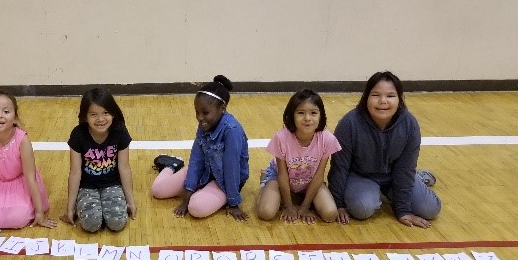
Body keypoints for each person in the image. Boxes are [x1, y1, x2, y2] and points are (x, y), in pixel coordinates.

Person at [327, 71, 441, 228]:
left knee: (430, 209)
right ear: (366, 97)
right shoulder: (349, 124)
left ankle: (418, 178)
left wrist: (403, 210)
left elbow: (405, 167)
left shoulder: (409, 124)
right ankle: (375, 191)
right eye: (375, 95)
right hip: (361, 175)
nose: (382, 101)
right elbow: (339, 167)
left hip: (395, 175)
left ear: (399, 99)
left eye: (390, 96)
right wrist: (338, 203)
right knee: (362, 209)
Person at [151, 75, 250, 221]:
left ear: (222, 109)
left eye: (205, 112)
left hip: (225, 181)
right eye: (197, 112)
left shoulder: (232, 130)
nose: (199, 117)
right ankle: (173, 164)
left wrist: (234, 202)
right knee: (157, 190)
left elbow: (232, 169)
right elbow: (196, 160)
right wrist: (187, 195)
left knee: (196, 208)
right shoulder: (204, 125)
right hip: (206, 171)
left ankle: (206, 192)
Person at [0, 91, 55, 229]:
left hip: (22, 183)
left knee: (18, 218)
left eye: (6, 111)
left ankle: (29, 208)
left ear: (14, 118)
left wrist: (39, 212)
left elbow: (30, 177)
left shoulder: (22, 140)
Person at [255, 89, 341, 224]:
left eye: (313, 113)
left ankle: (303, 197)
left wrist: (305, 207)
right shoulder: (281, 138)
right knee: (266, 212)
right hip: (279, 178)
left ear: (321, 116)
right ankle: (266, 180)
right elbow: (283, 175)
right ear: (292, 116)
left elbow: (319, 175)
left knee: (330, 214)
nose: (307, 118)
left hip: (309, 181)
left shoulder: (327, 139)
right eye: (301, 113)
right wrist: (288, 206)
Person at [59, 88, 136, 232]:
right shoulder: (78, 134)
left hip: (112, 184)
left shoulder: (120, 131)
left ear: (113, 113)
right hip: (87, 186)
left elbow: (124, 168)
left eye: (105, 113)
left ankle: (105, 209)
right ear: (85, 117)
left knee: (117, 223)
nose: (100, 119)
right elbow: (75, 173)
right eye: (94, 115)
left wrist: (130, 201)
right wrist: (70, 208)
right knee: (91, 224)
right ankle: (94, 210)